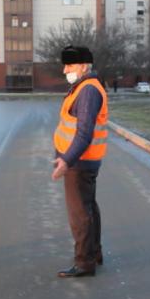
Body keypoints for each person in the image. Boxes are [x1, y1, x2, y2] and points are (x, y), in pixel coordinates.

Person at [52, 45, 108, 278]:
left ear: (84, 66)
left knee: (80, 214)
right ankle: (94, 253)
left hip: (79, 163)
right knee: (88, 207)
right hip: (83, 161)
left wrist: (66, 160)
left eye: (70, 65)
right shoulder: (83, 87)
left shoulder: (87, 91)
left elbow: (84, 134)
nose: (65, 70)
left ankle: (84, 262)